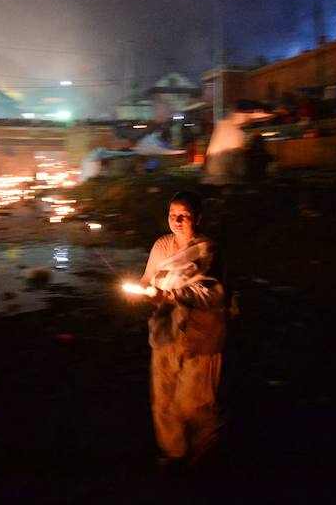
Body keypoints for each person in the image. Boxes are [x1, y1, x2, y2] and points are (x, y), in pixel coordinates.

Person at [138, 190, 226, 466]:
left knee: (196, 403)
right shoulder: (162, 246)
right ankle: (173, 454)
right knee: (163, 398)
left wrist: (171, 296)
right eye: (171, 214)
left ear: (197, 218)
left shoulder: (207, 251)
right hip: (166, 331)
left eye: (183, 215)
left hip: (201, 334)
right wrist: (140, 291)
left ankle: (202, 457)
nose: (176, 220)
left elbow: (212, 295)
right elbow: (146, 279)